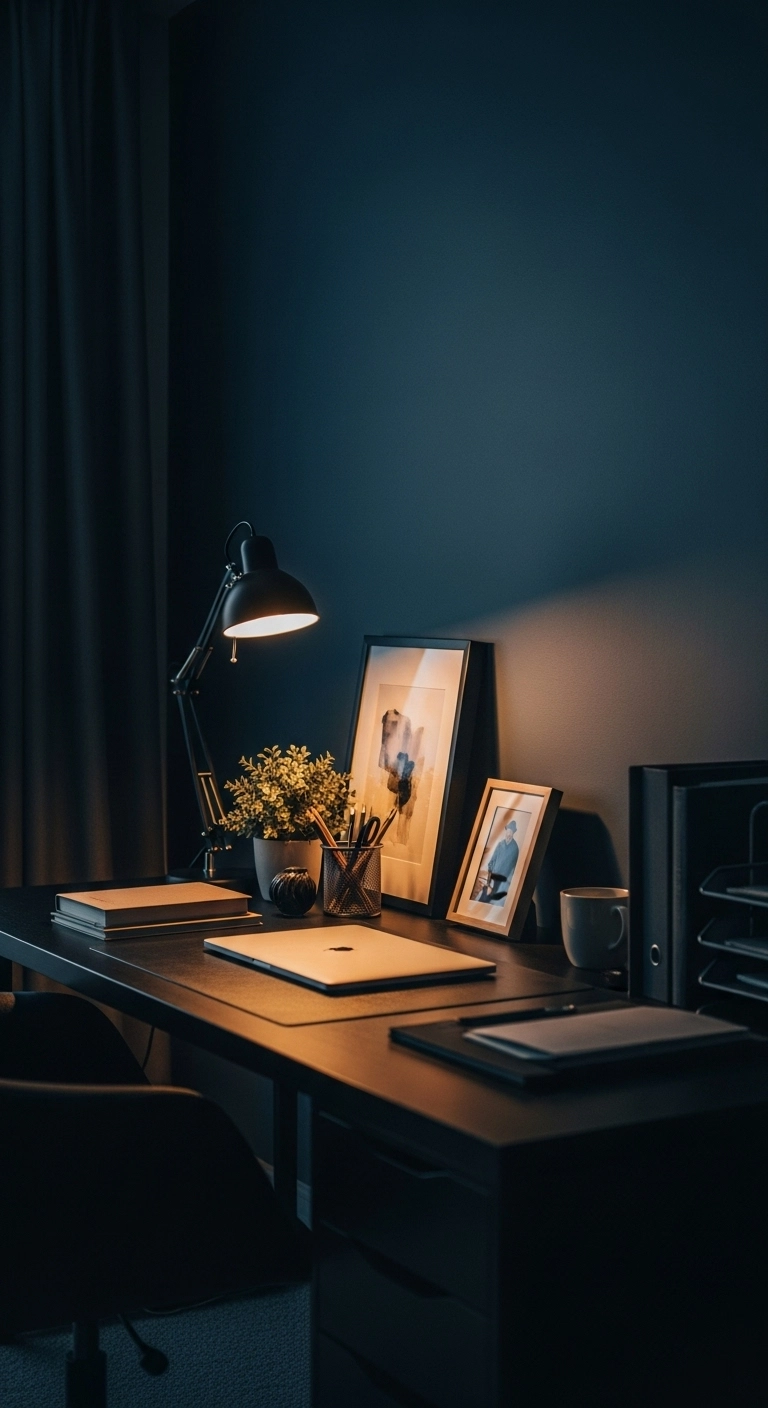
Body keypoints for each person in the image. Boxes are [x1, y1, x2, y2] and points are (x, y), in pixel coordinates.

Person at [477, 819, 519, 903]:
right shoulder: (500, 844)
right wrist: (490, 873)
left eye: (511, 832)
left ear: (513, 833)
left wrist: (508, 881)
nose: (509, 834)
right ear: (506, 832)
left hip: (503, 880)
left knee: (494, 900)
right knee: (484, 896)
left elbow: (514, 868)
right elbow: (492, 860)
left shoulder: (515, 848)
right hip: (493, 876)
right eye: (508, 831)